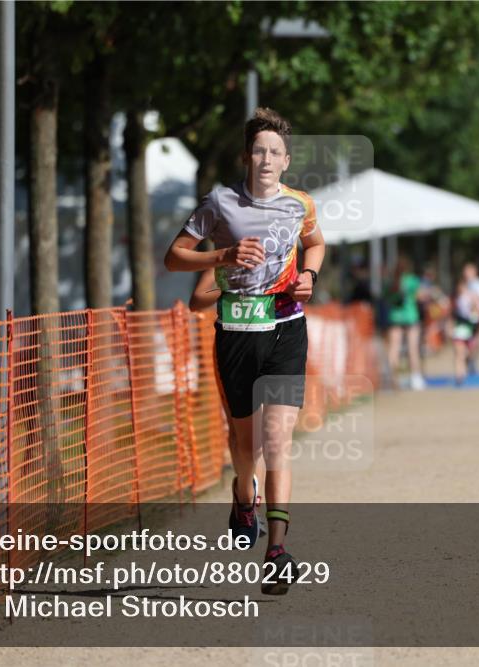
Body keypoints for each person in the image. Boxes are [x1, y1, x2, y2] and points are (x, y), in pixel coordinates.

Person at [164, 107, 325, 595]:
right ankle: (242, 494)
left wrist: (309, 277)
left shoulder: (301, 205)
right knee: (244, 446)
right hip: (235, 331)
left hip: (286, 330)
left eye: (275, 151)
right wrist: (223, 257)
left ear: (286, 160)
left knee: (276, 441)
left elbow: (316, 245)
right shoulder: (219, 202)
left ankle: (276, 551)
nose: (267, 159)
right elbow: (173, 258)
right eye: (259, 150)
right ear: (246, 156)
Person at [189, 269, 267, 538]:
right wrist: (233, 286)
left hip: (274, 343)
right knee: (242, 432)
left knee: (267, 431)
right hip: (233, 347)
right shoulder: (223, 262)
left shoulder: (282, 253)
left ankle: (249, 496)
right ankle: (246, 493)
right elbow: (197, 299)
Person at [384, 257, 425, 390]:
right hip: (411, 317)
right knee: (413, 349)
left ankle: (392, 378)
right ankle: (415, 378)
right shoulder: (412, 280)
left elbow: (386, 298)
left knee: (393, 349)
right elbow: (420, 296)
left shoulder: (391, 282)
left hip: (395, 318)